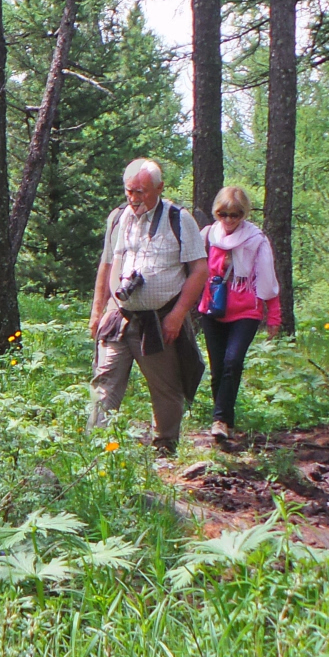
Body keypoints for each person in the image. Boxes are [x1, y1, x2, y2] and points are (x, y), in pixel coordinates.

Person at [88, 158, 209, 453]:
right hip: (119, 315)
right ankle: (96, 448)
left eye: (140, 191)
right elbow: (107, 264)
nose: (134, 198)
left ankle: (165, 447)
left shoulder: (179, 219)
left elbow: (200, 270)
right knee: (105, 381)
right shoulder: (118, 218)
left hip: (160, 318)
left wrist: (178, 315)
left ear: (159, 188)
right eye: (129, 190)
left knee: (165, 386)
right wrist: (97, 311)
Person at [195, 186, 281, 441]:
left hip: (246, 311)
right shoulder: (208, 236)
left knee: (233, 362)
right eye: (223, 214)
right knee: (218, 367)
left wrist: (274, 316)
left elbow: (267, 279)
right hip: (212, 308)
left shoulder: (256, 240)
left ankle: (220, 419)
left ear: (244, 214)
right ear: (216, 213)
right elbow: (195, 271)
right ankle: (224, 422)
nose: (229, 220)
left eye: (235, 214)